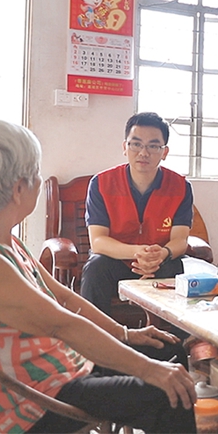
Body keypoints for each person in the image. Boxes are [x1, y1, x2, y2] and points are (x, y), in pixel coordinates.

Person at [0, 120, 197, 433]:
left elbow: (64, 298)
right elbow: (62, 324)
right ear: (19, 189)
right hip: (32, 400)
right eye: (36, 173)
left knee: (170, 351)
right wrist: (150, 371)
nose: (39, 181)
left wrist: (125, 334)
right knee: (169, 394)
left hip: (61, 367)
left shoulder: (0, 239)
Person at [80, 112, 195, 316]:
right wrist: (138, 252)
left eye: (153, 146)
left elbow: (180, 240)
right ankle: (94, 335)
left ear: (164, 152)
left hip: (160, 262)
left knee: (179, 268)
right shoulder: (101, 184)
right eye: (136, 144)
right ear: (125, 147)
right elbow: (98, 242)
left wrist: (162, 254)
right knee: (96, 267)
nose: (143, 152)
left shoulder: (180, 187)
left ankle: (174, 336)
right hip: (116, 261)